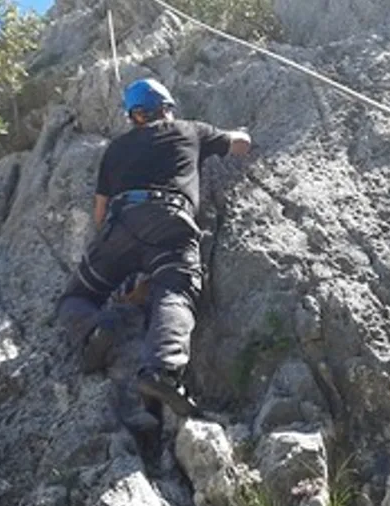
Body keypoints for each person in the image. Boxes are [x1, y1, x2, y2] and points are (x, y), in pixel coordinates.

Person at [55, 77, 251, 417]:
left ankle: (95, 328)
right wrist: (240, 132)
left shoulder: (115, 150)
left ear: (134, 116)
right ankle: (161, 371)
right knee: (175, 291)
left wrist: (122, 257)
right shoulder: (191, 131)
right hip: (170, 224)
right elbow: (241, 144)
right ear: (167, 109)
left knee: (76, 297)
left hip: (120, 224)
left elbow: (99, 212)